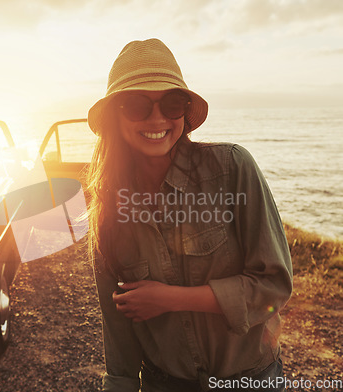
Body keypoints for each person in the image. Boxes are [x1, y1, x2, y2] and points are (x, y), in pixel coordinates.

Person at [86, 38, 293, 392]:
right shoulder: (107, 206)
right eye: (137, 104)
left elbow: (273, 288)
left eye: (172, 102)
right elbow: (117, 332)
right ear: (113, 116)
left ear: (185, 109)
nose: (157, 118)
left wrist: (168, 298)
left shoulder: (232, 168)